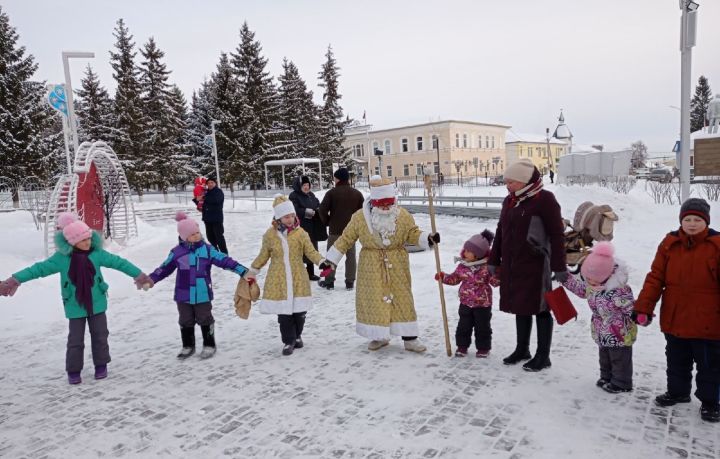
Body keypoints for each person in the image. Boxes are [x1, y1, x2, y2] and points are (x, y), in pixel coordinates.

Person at [0, 213, 151, 384]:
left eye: (88, 238)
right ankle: (73, 370)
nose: (87, 242)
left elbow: (120, 263)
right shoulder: (62, 259)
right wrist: (15, 279)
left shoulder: (97, 254)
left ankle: (101, 365)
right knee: (75, 340)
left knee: (100, 335)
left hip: (97, 302)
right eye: (83, 240)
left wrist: (140, 275)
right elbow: (38, 269)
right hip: (74, 304)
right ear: (72, 242)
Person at [322, 176, 440, 353]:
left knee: (402, 299)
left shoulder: (403, 216)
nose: (386, 208)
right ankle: (379, 336)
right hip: (371, 266)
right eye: (382, 204)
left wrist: (427, 238)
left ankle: (410, 338)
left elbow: (412, 233)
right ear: (374, 203)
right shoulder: (360, 218)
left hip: (397, 264)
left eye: (389, 204)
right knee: (375, 301)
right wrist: (330, 261)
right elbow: (346, 239)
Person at [633, 198, 720, 423]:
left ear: (706, 221)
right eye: (687, 219)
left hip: (708, 321)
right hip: (675, 318)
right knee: (676, 360)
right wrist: (643, 307)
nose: (692, 224)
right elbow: (655, 278)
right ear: (681, 220)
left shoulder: (716, 245)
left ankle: (710, 402)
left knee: (710, 366)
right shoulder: (670, 243)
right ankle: (678, 392)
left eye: (697, 219)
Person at [488, 158, 567, 372]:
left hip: (536, 264)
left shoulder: (545, 200)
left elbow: (557, 234)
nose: (508, 185)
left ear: (524, 182)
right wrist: (494, 260)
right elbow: (500, 231)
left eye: (512, 182)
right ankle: (522, 349)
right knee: (520, 307)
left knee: (541, 309)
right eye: (507, 181)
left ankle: (544, 356)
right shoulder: (510, 201)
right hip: (514, 264)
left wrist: (560, 266)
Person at [147, 211, 250, 360]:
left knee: (205, 318)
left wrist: (242, 270)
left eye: (198, 232)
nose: (197, 235)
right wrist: (151, 279)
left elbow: (224, 260)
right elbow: (164, 268)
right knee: (185, 320)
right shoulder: (177, 253)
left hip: (202, 293)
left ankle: (209, 344)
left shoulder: (207, 250)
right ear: (184, 237)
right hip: (183, 294)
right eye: (192, 234)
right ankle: (188, 345)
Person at [246, 195, 330, 356]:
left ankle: (297, 335)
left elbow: (310, 252)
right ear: (278, 217)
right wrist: (252, 270)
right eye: (286, 217)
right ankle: (288, 341)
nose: (290, 219)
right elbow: (263, 255)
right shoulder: (270, 235)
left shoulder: (301, 234)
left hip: (298, 276)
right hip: (279, 278)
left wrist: (322, 262)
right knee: (284, 314)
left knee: (299, 312)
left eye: (292, 215)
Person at [561, 242, 636, 393]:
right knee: (605, 356)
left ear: (608, 276)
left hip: (619, 332)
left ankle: (622, 382)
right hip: (601, 330)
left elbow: (631, 307)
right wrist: (565, 278)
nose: (591, 282)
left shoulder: (619, 290)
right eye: (588, 279)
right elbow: (580, 289)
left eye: (594, 279)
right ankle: (606, 377)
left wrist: (641, 315)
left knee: (619, 358)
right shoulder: (592, 287)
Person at [435, 230, 499, 358]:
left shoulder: (486, 267)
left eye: (469, 251)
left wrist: (500, 274)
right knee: (463, 326)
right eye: (465, 249)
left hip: (482, 304)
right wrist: (443, 277)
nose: (465, 252)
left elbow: (494, 282)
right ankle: (462, 346)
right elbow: (454, 279)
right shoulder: (462, 266)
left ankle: (483, 348)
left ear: (478, 254)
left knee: (482, 328)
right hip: (465, 303)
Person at [318, 167, 365, 290]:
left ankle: (329, 281)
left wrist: (328, 221)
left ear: (338, 179)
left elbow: (322, 210)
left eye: (335, 177)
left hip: (335, 230)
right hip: (351, 232)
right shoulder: (357, 194)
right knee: (351, 257)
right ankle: (350, 281)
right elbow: (363, 212)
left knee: (331, 256)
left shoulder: (331, 193)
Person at [289, 175, 327, 281]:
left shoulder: (311, 195)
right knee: (299, 250)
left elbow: (317, 203)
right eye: (304, 185)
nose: (306, 187)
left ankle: (310, 273)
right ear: (299, 185)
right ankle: (297, 273)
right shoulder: (294, 195)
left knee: (311, 249)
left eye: (307, 185)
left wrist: (319, 210)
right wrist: (307, 211)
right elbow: (294, 209)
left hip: (312, 228)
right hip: (300, 228)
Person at [202, 176, 228, 255]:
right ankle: (216, 252)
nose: (210, 184)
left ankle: (224, 253)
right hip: (207, 218)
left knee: (219, 237)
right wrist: (197, 199)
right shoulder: (206, 192)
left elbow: (216, 200)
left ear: (215, 183)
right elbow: (203, 203)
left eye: (212, 183)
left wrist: (204, 197)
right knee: (210, 237)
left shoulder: (218, 191)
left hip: (216, 219)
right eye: (208, 183)